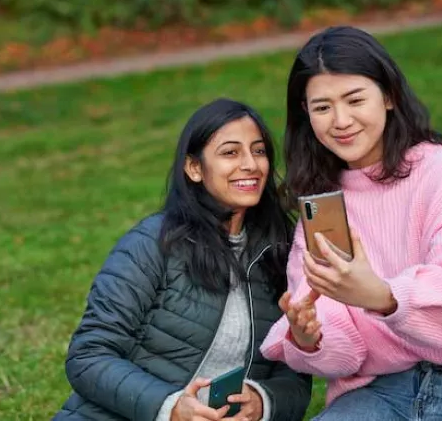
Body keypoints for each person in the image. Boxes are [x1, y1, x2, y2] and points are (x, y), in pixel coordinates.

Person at [260, 26, 442, 421]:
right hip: (376, 392)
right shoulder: (323, 208)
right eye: (322, 107)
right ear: (306, 115)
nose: (340, 120)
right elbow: (344, 350)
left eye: (355, 99)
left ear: (389, 96)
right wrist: (310, 337)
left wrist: (382, 295)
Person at [54, 98, 312, 421]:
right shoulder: (152, 243)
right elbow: (89, 355)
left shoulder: (279, 252)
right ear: (193, 168)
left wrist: (263, 402)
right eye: (230, 152)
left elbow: (295, 374)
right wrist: (170, 408)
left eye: (258, 151)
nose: (250, 164)